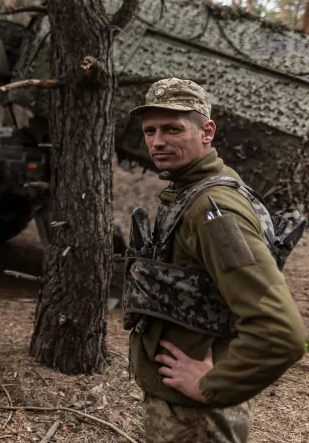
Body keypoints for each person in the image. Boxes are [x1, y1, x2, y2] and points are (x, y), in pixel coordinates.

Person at [123, 78, 307, 443]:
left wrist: (212, 386)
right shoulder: (190, 190)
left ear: (207, 131)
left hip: (194, 421)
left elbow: (282, 333)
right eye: (150, 130)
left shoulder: (213, 209)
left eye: (173, 129)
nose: (158, 141)